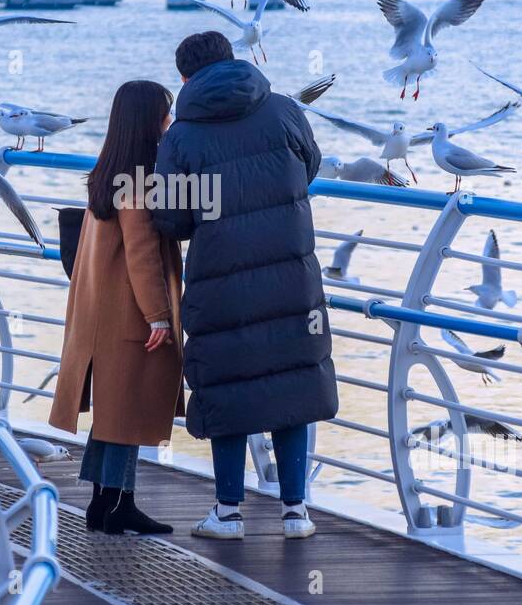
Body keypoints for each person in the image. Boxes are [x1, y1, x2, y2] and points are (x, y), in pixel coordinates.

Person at [152, 30, 337, 540]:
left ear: (186, 78)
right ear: (233, 61)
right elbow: (310, 167)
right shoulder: (283, 111)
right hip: (291, 271)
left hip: (220, 279)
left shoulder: (182, 137)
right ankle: (296, 511)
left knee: (225, 385)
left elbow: (170, 217)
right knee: (293, 378)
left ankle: (228, 514)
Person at [50, 80, 184, 535]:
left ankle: (103, 502)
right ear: (148, 120)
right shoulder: (141, 180)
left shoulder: (108, 171)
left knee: (113, 413)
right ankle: (116, 507)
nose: (169, 121)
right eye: (164, 113)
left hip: (99, 313)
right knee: (128, 412)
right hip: (130, 315)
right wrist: (159, 316)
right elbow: (142, 255)